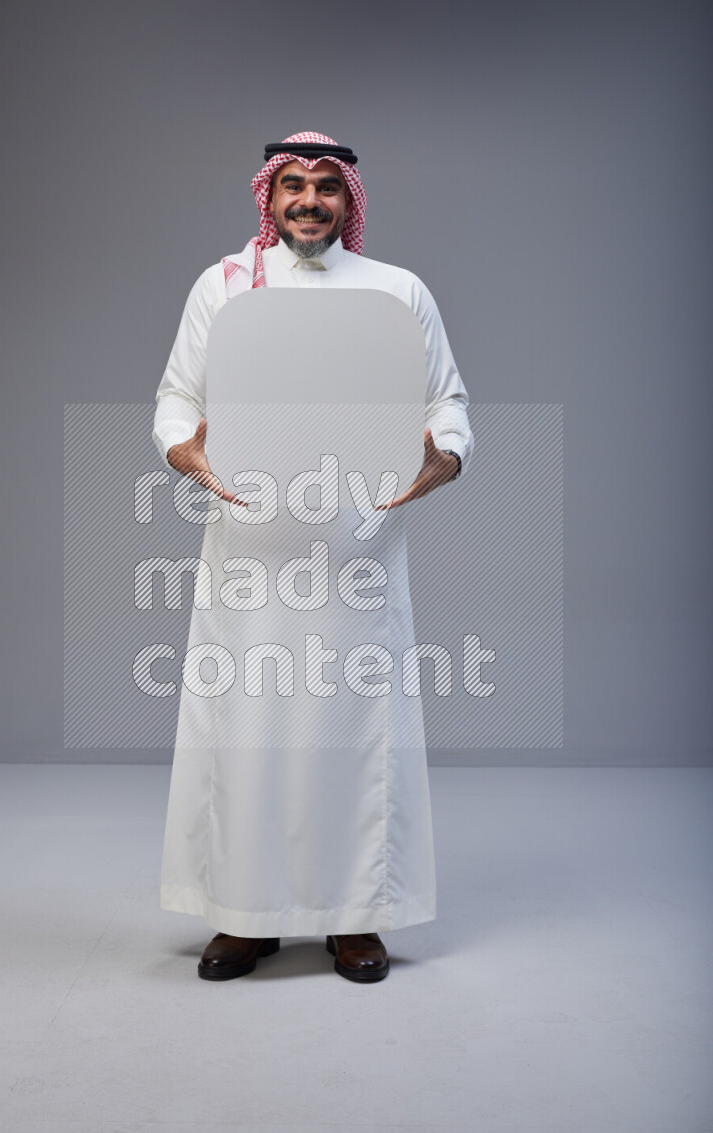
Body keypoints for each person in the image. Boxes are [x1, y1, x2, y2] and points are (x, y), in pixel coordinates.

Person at [152, 131, 474, 983]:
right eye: (293, 184)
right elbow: (177, 398)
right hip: (252, 556)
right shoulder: (223, 288)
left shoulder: (397, 291)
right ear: (269, 193)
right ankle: (244, 917)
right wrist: (190, 455)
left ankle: (355, 917)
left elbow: (446, 398)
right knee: (246, 735)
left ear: (349, 200)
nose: (309, 201)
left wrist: (443, 456)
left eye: (327, 187)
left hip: (354, 555)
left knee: (353, 736)